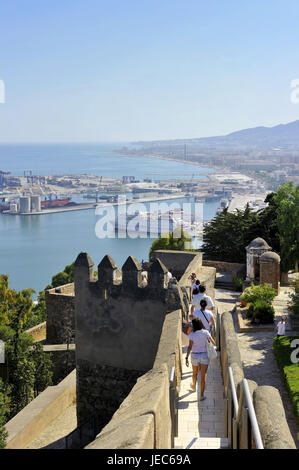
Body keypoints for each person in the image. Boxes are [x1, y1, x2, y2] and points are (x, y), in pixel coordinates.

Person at [185, 318, 216, 400]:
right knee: (203, 376)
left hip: (195, 355)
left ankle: (194, 386)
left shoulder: (192, 335)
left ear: (193, 325)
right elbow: (213, 342)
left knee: (194, 373)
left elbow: (189, 347)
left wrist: (186, 357)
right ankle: (201, 395)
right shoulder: (205, 332)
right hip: (204, 355)